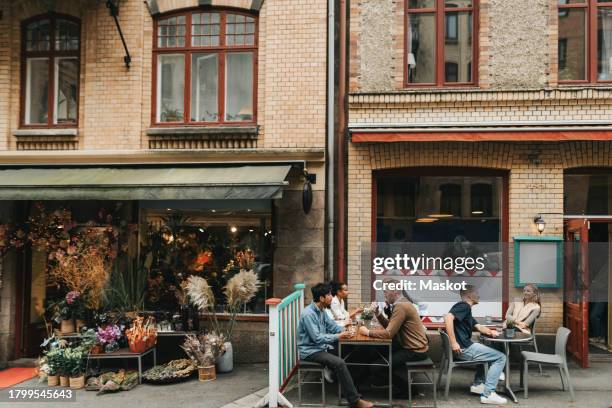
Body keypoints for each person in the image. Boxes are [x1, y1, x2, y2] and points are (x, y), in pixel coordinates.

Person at [297, 283, 374, 408]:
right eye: (328, 295)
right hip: (311, 351)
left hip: (322, 347)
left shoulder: (321, 311)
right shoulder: (308, 314)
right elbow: (317, 339)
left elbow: (332, 327)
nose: (331, 298)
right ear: (321, 298)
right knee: (339, 362)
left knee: (355, 350)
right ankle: (354, 401)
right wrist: (339, 336)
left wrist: (347, 331)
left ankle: (349, 389)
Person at [358, 279, 429, 393]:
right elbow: (390, 327)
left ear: (395, 292)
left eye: (385, 292)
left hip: (414, 351)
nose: (384, 294)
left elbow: (389, 334)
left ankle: (409, 390)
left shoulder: (401, 306)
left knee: (376, 367)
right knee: (375, 351)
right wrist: (378, 313)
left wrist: (367, 332)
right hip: (411, 347)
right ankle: (372, 382)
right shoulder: (401, 303)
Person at [444, 285, 507, 405]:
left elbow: (477, 326)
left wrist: (491, 332)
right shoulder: (463, 306)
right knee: (500, 357)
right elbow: (448, 318)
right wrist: (453, 342)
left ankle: (478, 385)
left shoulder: (466, 311)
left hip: (465, 347)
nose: (479, 295)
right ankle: (488, 394)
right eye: (477, 293)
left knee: (488, 351)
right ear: (469, 295)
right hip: (464, 349)